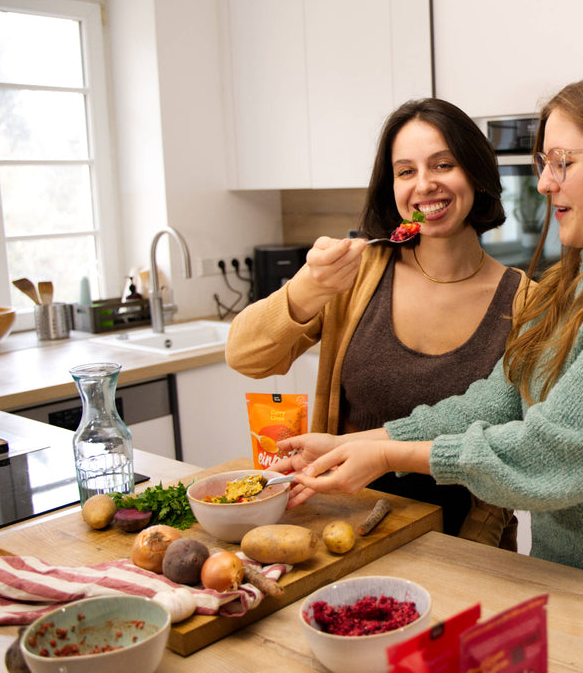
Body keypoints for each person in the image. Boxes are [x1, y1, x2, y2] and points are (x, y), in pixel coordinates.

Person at [270, 72, 583, 606]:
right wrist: (356, 443)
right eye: (543, 164)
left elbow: (551, 454)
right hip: (570, 584)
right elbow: (500, 398)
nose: (545, 184)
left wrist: (392, 458)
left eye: (563, 162)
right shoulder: (578, 279)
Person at [226, 98, 534, 550]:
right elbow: (245, 356)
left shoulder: (527, 300)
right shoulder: (359, 274)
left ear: (477, 173)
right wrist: (308, 287)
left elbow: (513, 431)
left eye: (443, 165)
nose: (425, 185)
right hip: (342, 529)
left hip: (466, 542)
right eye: (405, 171)